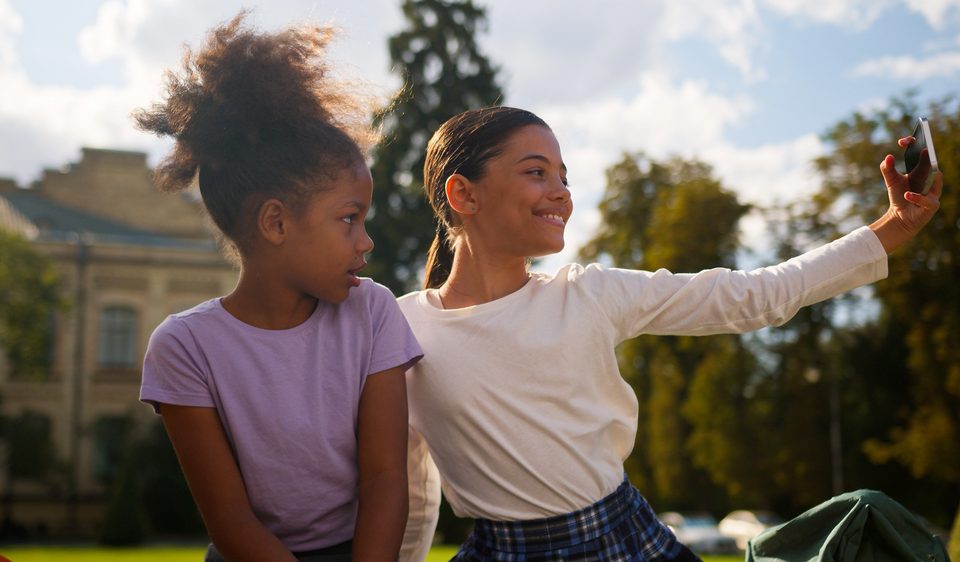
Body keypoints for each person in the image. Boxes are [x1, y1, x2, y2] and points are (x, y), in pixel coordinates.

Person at [397, 106, 943, 561]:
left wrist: (895, 224)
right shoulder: (403, 329)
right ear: (464, 195)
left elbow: (757, 294)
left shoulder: (590, 293)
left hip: (625, 542)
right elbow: (410, 485)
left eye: (564, 176)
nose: (561, 191)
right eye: (537, 172)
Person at [136, 13, 421, 562]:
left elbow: (386, 480)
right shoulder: (184, 348)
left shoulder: (374, 312)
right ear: (276, 223)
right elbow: (230, 519)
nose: (366, 243)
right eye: (349, 219)